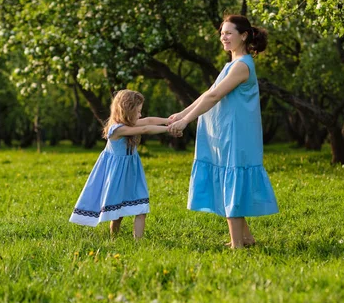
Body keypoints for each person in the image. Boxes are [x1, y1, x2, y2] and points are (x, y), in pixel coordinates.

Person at [169, 14, 279, 249]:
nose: (224, 37)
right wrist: (181, 114)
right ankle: (246, 238)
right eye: (222, 33)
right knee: (230, 181)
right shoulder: (232, 65)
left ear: (244, 35)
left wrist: (187, 120)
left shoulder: (241, 66)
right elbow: (207, 93)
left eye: (229, 33)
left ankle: (236, 244)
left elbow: (215, 96)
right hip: (225, 134)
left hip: (237, 135)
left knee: (233, 181)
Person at [69, 89, 179, 239]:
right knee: (117, 213)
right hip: (117, 173)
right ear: (127, 110)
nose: (140, 115)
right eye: (138, 111)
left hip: (132, 171)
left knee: (141, 209)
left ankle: (138, 243)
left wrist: (168, 121)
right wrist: (169, 129)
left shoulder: (130, 123)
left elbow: (148, 121)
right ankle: (114, 238)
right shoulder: (117, 129)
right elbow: (145, 129)